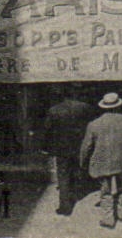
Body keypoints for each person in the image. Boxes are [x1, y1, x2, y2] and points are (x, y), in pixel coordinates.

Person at [80, 92, 122, 228]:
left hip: (101, 162)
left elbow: (86, 146)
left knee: (105, 191)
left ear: (103, 107)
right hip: (120, 160)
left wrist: (83, 161)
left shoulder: (94, 124)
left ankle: (108, 219)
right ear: (118, 106)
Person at [41, 86, 94, 216]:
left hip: (61, 148)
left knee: (63, 175)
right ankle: (76, 194)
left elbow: (47, 130)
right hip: (79, 146)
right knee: (77, 170)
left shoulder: (54, 110)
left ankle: (65, 206)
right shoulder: (85, 108)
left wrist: (46, 147)